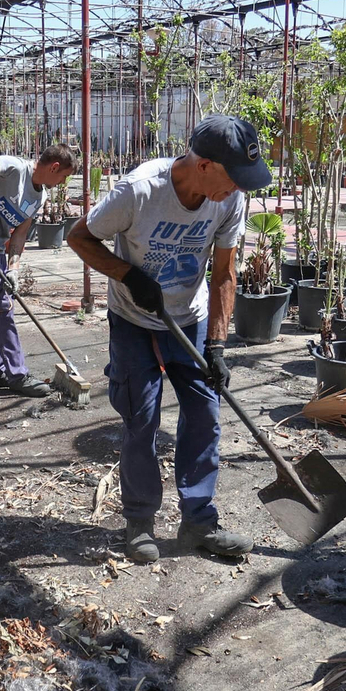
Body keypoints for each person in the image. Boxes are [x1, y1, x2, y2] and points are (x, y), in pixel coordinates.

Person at [66, 115, 271, 562]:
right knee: (142, 418)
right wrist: (126, 274)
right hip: (134, 318)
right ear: (203, 165)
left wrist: (217, 345)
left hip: (191, 321)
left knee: (205, 415)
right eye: (233, 178)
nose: (238, 188)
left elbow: (224, 273)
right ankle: (139, 521)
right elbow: (78, 236)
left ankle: (199, 521)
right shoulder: (138, 191)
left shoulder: (228, 201)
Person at [0, 144, 78, 397]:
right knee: (2, 308)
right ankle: (17, 375)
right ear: (54, 167)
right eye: (63, 176)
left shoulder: (39, 197)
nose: (63, 183)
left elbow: (19, 235)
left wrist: (14, 269)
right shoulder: (14, 169)